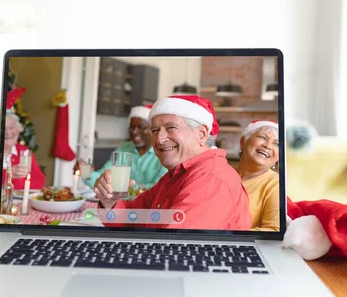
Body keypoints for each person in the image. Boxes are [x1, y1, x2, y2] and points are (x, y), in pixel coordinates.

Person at [94, 95, 252, 230]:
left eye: (171, 128)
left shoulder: (210, 179)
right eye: (155, 131)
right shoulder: (177, 174)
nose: (160, 139)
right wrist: (110, 202)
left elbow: (175, 248)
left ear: (202, 134)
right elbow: (133, 217)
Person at [75, 104, 167, 190]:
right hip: (122, 205)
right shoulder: (124, 148)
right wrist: (85, 171)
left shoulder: (164, 152)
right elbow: (103, 178)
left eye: (140, 127)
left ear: (153, 130)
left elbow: (158, 188)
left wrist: (122, 186)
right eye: (132, 127)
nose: (134, 132)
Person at [236, 120, 280, 231]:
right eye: (263, 137)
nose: (268, 146)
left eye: (277, 144)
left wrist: (228, 238)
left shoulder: (276, 184)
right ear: (242, 142)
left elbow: (273, 230)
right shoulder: (221, 173)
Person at [2, 88, 45, 189]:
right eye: (3, 128)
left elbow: (40, 180)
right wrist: (9, 174)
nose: (8, 132)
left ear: (18, 129)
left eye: (11, 127)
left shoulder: (24, 151)